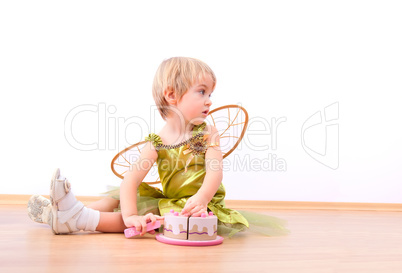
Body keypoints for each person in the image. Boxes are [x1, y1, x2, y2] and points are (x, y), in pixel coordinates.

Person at [28, 57, 287, 237]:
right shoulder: (157, 141)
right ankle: (66, 211)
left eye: (210, 94)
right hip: (172, 199)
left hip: (196, 207)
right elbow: (130, 180)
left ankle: (79, 220)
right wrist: (131, 215)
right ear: (172, 95)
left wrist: (201, 198)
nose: (209, 100)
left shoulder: (207, 132)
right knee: (118, 197)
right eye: (202, 92)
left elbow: (214, 171)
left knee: (149, 215)